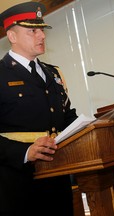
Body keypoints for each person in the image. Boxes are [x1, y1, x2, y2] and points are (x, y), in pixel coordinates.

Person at [0, 2, 78, 216]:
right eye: (32, 31)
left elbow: (66, 116)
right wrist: (25, 152)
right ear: (12, 36)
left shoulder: (53, 73)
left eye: (42, 29)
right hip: (17, 184)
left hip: (58, 176)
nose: (41, 35)